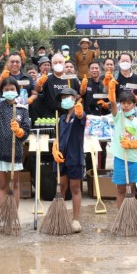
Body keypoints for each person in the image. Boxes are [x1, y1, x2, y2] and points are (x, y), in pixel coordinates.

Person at [0, 77, 31, 213]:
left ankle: (14, 214)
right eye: (6, 89)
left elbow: (26, 130)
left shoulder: (22, 109)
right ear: (2, 91)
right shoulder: (0, 107)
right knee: (2, 184)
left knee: (15, 184)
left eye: (12, 89)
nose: (9, 91)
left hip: (15, 150)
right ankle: (3, 214)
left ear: (17, 91)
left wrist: (19, 132)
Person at [106, 79, 137, 210]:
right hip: (120, 159)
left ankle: (130, 214)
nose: (126, 106)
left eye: (129, 103)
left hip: (134, 159)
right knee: (121, 188)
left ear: (134, 105)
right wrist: (111, 91)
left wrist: (132, 144)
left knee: (132, 188)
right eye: (123, 103)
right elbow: (112, 103)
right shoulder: (118, 117)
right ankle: (120, 216)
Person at [52, 88, 86, 233]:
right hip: (61, 157)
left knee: (75, 188)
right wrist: (55, 148)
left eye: (68, 96)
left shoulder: (80, 115)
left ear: (75, 98)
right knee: (61, 187)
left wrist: (79, 112)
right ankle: (59, 217)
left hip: (74, 157)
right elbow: (58, 136)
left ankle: (75, 219)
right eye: (63, 97)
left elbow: (81, 117)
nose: (65, 99)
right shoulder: (61, 118)